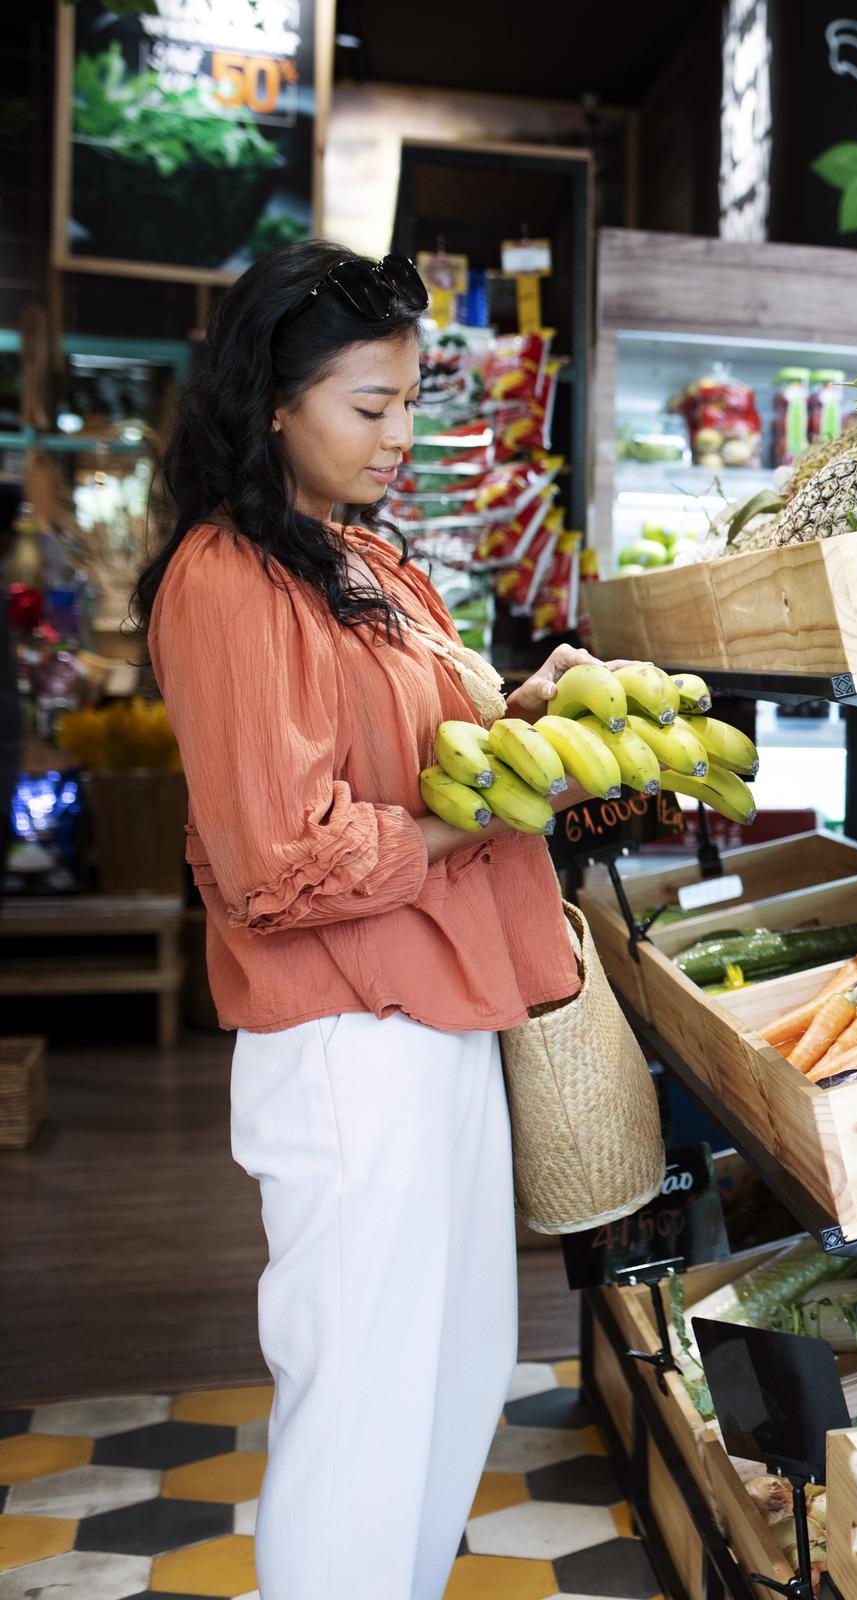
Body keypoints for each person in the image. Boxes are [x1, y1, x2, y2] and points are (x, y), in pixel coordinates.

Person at [134, 241, 589, 1600]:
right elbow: (277, 858)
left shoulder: (369, 565)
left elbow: (412, 762)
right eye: (368, 406)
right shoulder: (224, 578)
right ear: (274, 401)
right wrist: (477, 822)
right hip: (347, 1038)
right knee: (361, 1406)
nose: (401, 435)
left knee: (450, 1379)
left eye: (407, 403)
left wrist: (523, 725)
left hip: (438, 1019)